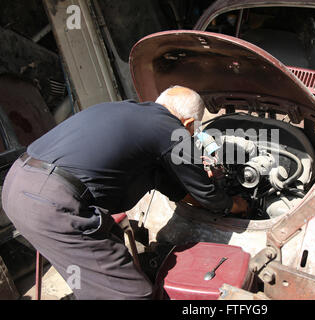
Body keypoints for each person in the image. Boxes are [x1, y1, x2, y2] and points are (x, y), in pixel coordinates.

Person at [1, 85, 247, 300]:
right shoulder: (171, 130)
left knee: (99, 274)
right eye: (192, 131)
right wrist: (236, 205)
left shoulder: (126, 112)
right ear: (188, 124)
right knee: (130, 293)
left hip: (17, 184)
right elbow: (206, 195)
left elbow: (170, 185)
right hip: (52, 203)